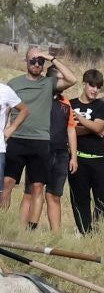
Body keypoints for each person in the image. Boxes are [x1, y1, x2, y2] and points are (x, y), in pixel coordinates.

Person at [4, 46, 76, 232]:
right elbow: (7, 111)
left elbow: (72, 79)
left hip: (40, 141)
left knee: (37, 187)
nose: (36, 64)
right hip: (17, 140)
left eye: (39, 61)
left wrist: (51, 58)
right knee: (7, 184)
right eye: (33, 60)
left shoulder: (48, 83)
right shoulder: (14, 83)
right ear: (25, 61)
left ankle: (30, 231)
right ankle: (3, 227)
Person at [66, 69, 104, 235]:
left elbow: (98, 126)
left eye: (98, 87)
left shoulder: (101, 106)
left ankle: (101, 234)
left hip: (99, 160)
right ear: (84, 84)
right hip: (77, 160)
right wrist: (91, 128)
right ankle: (85, 234)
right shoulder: (70, 104)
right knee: (80, 201)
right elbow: (67, 131)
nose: (95, 90)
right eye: (92, 85)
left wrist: (78, 120)